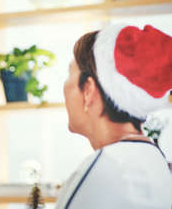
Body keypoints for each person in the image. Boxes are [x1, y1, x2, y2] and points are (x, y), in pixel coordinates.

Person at [56, 23, 172, 209]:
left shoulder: (104, 168)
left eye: (69, 73)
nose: (64, 86)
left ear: (88, 90)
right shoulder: (154, 159)